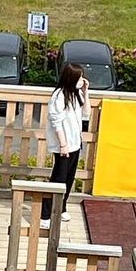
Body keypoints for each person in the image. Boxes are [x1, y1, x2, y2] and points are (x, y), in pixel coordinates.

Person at [42, 61, 87, 224]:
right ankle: (45, 214)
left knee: (69, 178)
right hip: (64, 144)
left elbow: (86, 113)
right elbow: (56, 121)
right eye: (79, 77)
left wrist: (85, 92)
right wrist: (63, 144)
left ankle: (61, 207)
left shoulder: (76, 93)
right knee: (58, 178)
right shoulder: (59, 96)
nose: (82, 80)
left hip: (75, 142)